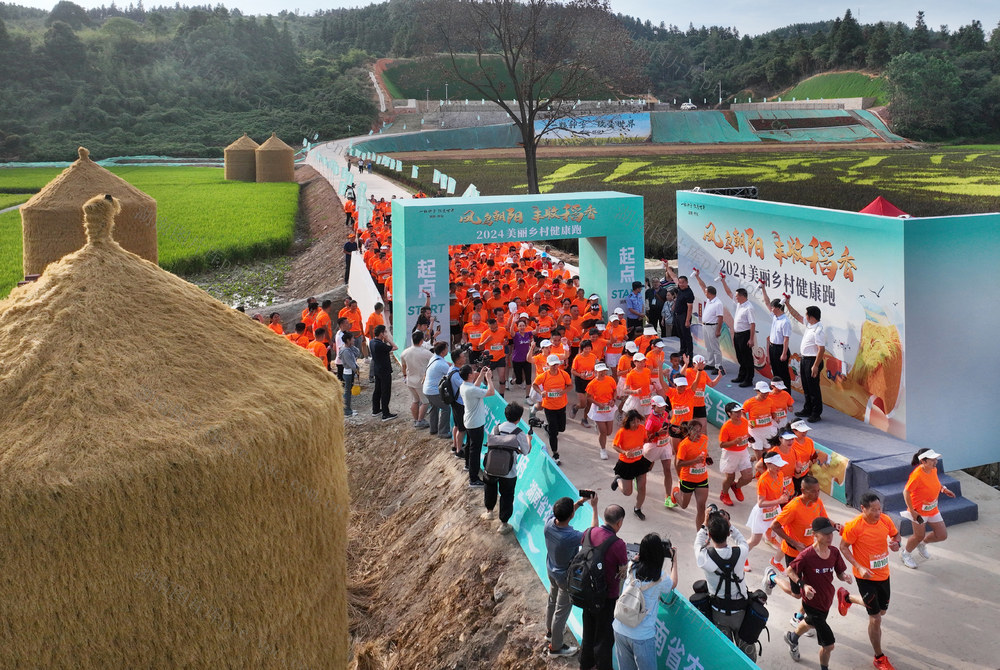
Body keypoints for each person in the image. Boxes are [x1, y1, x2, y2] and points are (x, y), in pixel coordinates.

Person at [839, 492, 903, 670]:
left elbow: (896, 537)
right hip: (865, 577)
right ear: (863, 509)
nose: (877, 513)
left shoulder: (885, 520)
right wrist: (858, 566)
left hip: (883, 575)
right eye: (873, 510)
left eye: (879, 509)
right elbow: (843, 547)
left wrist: (897, 544)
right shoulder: (854, 527)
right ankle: (879, 658)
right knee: (875, 618)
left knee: (881, 612)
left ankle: (847, 598)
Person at [783, 517, 854, 669]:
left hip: (826, 600)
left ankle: (792, 638)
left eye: (831, 533)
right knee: (828, 645)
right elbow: (790, 570)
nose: (830, 537)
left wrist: (845, 577)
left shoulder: (834, 552)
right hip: (811, 602)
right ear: (815, 534)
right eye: (826, 534)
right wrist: (803, 585)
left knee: (810, 622)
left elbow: (840, 572)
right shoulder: (807, 555)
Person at [764, 475, 833, 627]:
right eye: (813, 492)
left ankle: (798, 617)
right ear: (803, 490)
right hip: (793, 553)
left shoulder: (818, 502)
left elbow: (825, 520)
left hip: (811, 552)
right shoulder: (793, 507)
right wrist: (794, 542)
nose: (817, 495)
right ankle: (772, 577)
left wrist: (836, 526)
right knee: (796, 593)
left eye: (818, 491)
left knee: (811, 587)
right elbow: (775, 525)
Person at [694, 508, 757, 660]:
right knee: (748, 656)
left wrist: (704, 524)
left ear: (709, 535)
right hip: (741, 612)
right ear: (728, 534)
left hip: (718, 612)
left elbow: (697, 544)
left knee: (724, 655)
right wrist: (730, 525)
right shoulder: (741, 553)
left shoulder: (704, 558)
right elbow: (742, 541)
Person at [544, 494, 600, 658]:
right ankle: (556, 647)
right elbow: (593, 534)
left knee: (551, 601)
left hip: (551, 570)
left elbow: (561, 514)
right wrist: (595, 507)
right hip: (565, 578)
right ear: (572, 516)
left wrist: (578, 503)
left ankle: (549, 631)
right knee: (561, 612)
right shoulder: (569, 536)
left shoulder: (548, 524)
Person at [612, 533, 678, 670]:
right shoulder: (660, 578)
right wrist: (674, 560)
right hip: (642, 635)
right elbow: (673, 583)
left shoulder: (631, 566)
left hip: (619, 627)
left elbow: (636, 560)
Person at [578, 505, 628, 670]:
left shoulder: (589, 532)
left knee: (588, 632)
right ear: (619, 523)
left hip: (587, 593)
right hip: (607, 597)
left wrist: (594, 508)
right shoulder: (618, 544)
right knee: (604, 639)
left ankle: (585, 665)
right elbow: (623, 570)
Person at [481, 402, 531, 533]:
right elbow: (526, 451)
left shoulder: (496, 428)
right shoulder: (518, 432)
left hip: (491, 467)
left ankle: (489, 512)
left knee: (490, 488)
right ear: (519, 418)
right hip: (509, 472)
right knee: (507, 495)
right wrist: (528, 439)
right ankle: (503, 524)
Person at [900, 448, 955, 569]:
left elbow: (935, 482)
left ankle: (922, 544)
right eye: (932, 459)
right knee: (918, 536)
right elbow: (906, 492)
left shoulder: (933, 469)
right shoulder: (917, 475)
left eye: (936, 459)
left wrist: (943, 489)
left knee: (941, 535)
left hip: (933, 509)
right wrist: (913, 511)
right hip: (919, 512)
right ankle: (906, 554)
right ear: (923, 462)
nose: (936, 461)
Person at [746, 452, 790, 571]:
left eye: (780, 464)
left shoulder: (780, 474)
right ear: (768, 464)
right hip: (762, 514)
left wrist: (784, 492)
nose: (779, 467)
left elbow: (781, 487)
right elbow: (761, 503)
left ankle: (775, 561)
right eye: (776, 465)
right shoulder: (763, 480)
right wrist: (779, 500)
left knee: (786, 539)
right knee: (755, 540)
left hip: (775, 511)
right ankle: (742, 557)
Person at [787, 301, 826, 422]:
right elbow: (797, 316)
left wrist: (815, 366)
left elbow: (821, 349)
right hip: (804, 359)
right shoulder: (810, 325)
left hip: (812, 361)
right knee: (806, 386)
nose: (805, 317)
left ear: (811, 317)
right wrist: (788, 304)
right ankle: (807, 409)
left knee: (813, 388)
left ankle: (816, 413)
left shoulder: (818, 330)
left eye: (807, 315)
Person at [610, 410, 652, 521]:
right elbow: (614, 445)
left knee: (642, 487)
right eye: (633, 422)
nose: (636, 424)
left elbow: (645, 440)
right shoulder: (622, 432)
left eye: (638, 421)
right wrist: (624, 452)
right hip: (626, 464)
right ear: (627, 422)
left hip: (639, 462)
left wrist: (654, 437)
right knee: (627, 492)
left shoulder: (642, 428)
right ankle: (618, 480)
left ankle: (637, 509)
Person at [460, 364, 496, 488]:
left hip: (470, 422)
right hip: (475, 424)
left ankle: (468, 465)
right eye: (473, 371)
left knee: (470, 446)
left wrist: (481, 376)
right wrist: (489, 378)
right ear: (469, 375)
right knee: (475, 451)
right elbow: (491, 392)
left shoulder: (465, 386)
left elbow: (475, 387)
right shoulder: (471, 390)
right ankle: (473, 479)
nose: (475, 372)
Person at [532, 354, 572, 465]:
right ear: (548, 365)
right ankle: (555, 454)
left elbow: (570, 385)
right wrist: (541, 392)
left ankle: (546, 426)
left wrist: (564, 391)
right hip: (549, 407)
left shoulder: (564, 375)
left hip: (561, 405)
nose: (555, 366)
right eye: (552, 365)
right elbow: (534, 384)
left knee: (561, 428)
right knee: (553, 433)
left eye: (556, 364)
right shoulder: (544, 376)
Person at [670, 421, 710, 529]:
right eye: (695, 431)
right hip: (688, 479)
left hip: (702, 478)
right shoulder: (684, 445)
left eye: (700, 431)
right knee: (684, 505)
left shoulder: (704, 439)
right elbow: (679, 463)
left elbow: (704, 451)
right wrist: (694, 461)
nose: (698, 433)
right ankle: (675, 493)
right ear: (689, 431)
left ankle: (699, 534)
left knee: (701, 507)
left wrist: (708, 458)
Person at [719, 280, 756, 387]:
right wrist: (723, 281)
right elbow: (729, 293)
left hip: (745, 335)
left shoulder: (749, 308)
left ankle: (748, 379)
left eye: (737, 296)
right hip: (737, 334)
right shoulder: (740, 304)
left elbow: (752, 324)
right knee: (740, 356)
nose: (735, 298)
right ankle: (741, 375)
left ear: (742, 296)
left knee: (747, 358)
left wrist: (751, 339)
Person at [642, 396, 677, 510]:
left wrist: (672, 429)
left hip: (665, 445)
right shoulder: (650, 420)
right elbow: (646, 438)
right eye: (660, 406)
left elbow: (668, 425)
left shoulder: (666, 414)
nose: (662, 408)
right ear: (653, 406)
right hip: (653, 446)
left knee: (667, 470)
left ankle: (667, 498)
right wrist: (657, 434)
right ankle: (638, 478)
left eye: (663, 406)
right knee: (647, 468)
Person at [718, 401, 754, 507]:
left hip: (743, 452)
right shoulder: (726, 427)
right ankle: (724, 494)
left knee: (748, 477)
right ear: (729, 414)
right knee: (730, 478)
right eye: (736, 412)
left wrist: (749, 438)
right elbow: (721, 444)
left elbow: (745, 433)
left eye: (739, 411)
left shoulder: (744, 421)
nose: (739, 414)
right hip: (730, 454)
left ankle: (736, 487)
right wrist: (733, 442)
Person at [691, 271, 724, 372]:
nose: (704, 293)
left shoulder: (718, 303)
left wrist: (718, 330)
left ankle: (718, 366)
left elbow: (720, 317)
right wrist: (697, 277)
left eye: (706, 292)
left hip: (713, 326)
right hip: (705, 326)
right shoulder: (710, 300)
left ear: (710, 293)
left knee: (715, 347)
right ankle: (711, 363)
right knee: (708, 346)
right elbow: (703, 286)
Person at [760, 287, 792, 391]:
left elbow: (786, 339)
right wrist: (763, 288)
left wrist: (784, 353)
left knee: (783, 373)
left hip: (781, 349)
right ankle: (776, 391)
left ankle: (786, 393)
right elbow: (767, 302)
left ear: (778, 308)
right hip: (773, 347)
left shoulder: (785, 321)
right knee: (775, 371)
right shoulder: (775, 317)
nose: (771, 309)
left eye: (773, 308)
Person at [400, 330, 433, 428]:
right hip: (421, 380)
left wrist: (405, 376)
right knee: (425, 401)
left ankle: (416, 420)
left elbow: (403, 366)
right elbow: (435, 361)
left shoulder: (404, 352)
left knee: (415, 400)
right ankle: (420, 420)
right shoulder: (426, 353)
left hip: (410, 380)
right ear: (421, 341)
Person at [585, 363, 617, 460]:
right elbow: (588, 397)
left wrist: (613, 400)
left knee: (608, 432)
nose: (603, 373)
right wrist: (598, 404)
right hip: (598, 409)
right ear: (596, 372)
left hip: (609, 408)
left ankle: (599, 427)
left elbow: (615, 391)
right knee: (603, 432)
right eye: (600, 371)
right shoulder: (592, 384)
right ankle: (603, 450)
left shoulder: (610, 380)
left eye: (604, 371)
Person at [423, 341, 453, 440]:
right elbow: (452, 374)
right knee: (446, 408)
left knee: (434, 407)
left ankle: (433, 428)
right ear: (443, 351)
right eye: (446, 349)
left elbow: (446, 365)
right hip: (434, 391)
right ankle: (443, 431)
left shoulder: (434, 358)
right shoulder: (440, 363)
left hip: (427, 390)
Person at [742, 381, 778, 462]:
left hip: (767, 429)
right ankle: (759, 469)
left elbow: (773, 412)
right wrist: (747, 421)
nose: (765, 395)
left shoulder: (770, 401)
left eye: (767, 393)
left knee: (767, 449)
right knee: (757, 450)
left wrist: (775, 417)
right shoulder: (749, 402)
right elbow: (742, 412)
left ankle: (756, 460)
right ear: (757, 391)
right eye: (763, 393)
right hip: (755, 431)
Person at [664, 264, 694, 358]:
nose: (680, 284)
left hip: (684, 315)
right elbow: (673, 276)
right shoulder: (679, 288)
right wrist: (667, 266)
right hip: (677, 315)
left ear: (686, 283)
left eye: (682, 283)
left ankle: (689, 353)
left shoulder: (689, 293)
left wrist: (687, 320)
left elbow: (690, 308)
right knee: (680, 334)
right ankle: (682, 351)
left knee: (686, 336)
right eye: (679, 282)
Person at [369, 325, 397, 421]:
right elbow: (395, 347)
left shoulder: (372, 342)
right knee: (385, 392)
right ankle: (386, 413)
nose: (386, 334)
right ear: (381, 333)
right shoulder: (381, 345)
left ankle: (375, 410)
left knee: (377, 390)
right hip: (384, 370)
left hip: (377, 369)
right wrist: (388, 339)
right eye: (385, 332)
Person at [448, 348, 468, 458]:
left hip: (455, 402)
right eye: (463, 357)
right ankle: (459, 451)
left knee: (456, 425)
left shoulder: (452, 369)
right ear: (458, 360)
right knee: (461, 429)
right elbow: (465, 387)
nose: (465, 358)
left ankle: (455, 445)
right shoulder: (456, 374)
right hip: (459, 403)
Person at [339, 331, 360, 417]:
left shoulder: (349, 348)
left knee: (348, 391)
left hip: (350, 372)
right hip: (348, 373)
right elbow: (350, 363)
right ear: (348, 340)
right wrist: (356, 370)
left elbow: (358, 353)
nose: (354, 340)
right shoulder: (345, 351)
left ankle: (348, 409)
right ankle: (346, 411)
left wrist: (352, 346)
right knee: (347, 392)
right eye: (352, 339)